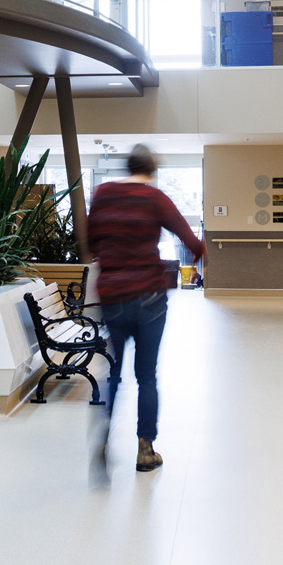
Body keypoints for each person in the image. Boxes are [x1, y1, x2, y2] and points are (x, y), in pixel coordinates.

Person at [86, 144, 203, 480]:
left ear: (127, 165)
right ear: (151, 170)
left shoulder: (103, 194)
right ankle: (145, 449)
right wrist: (197, 259)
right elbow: (190, 241)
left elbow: (92, 242)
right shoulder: (154, 198)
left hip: (112, 297)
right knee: (146, 376)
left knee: (114, 374)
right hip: (149, 299)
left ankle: (105, 442)